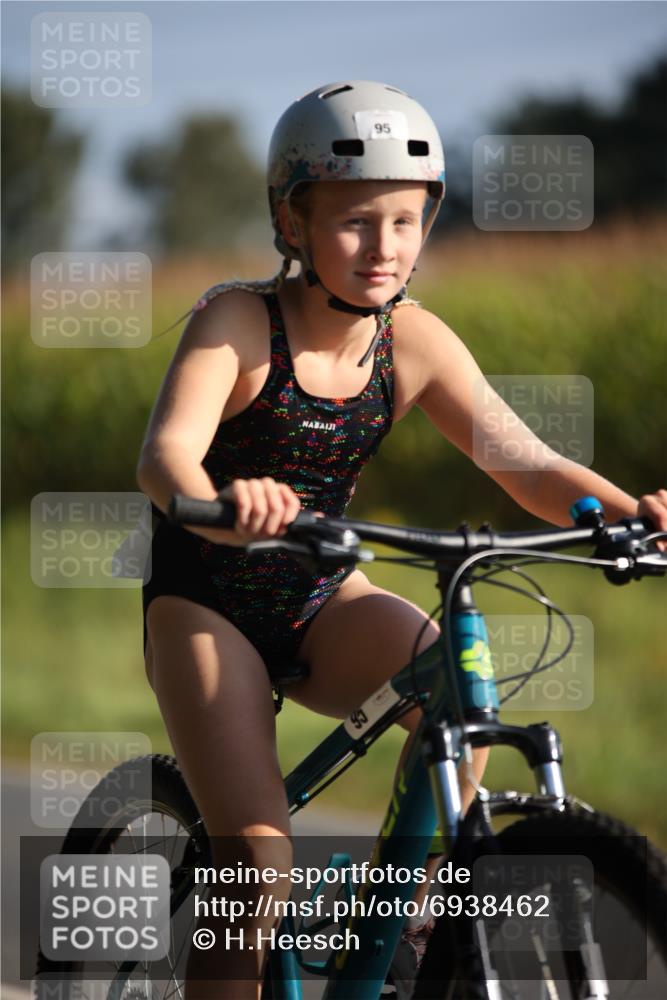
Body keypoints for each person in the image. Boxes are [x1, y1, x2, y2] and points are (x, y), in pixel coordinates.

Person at [136, 80, 667, 999]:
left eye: (406, 222)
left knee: (460, 686)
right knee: (254, 868)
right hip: (207, 601)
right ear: (291, 222)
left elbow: (527, 467)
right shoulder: (237, 323)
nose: (383, 248)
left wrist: (631, 515)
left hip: (319, 594)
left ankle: (409, 927)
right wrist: (224, 500)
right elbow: (165, 458)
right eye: (354, 223)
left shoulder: (411, 341)